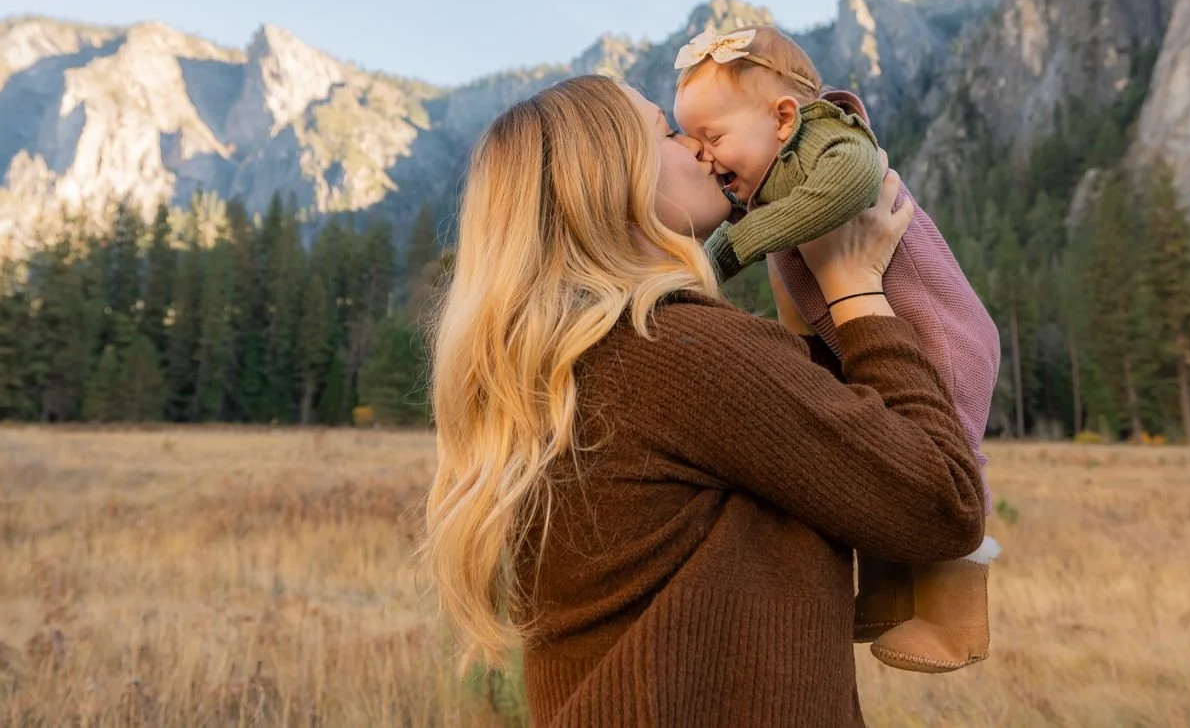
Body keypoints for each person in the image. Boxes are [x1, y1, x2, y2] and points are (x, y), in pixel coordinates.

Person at [422, 74, 985, 726]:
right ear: (611, 180)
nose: (697, 148)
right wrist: (854, 289)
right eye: (667, 133)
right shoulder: (675, 351)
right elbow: (944, 503)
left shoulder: (562, 372)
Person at [671, 25, 1000, 672]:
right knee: (884, 450)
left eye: (713, 137)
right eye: (691, 141)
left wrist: (730, 250)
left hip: (938, 338)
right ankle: (884, 595)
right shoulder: (765, 177)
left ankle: (954, 619)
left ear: (785, 117)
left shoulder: (830, 141)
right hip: (874, 341)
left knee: (948, 457)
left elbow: (853, 185)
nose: (704, 156)